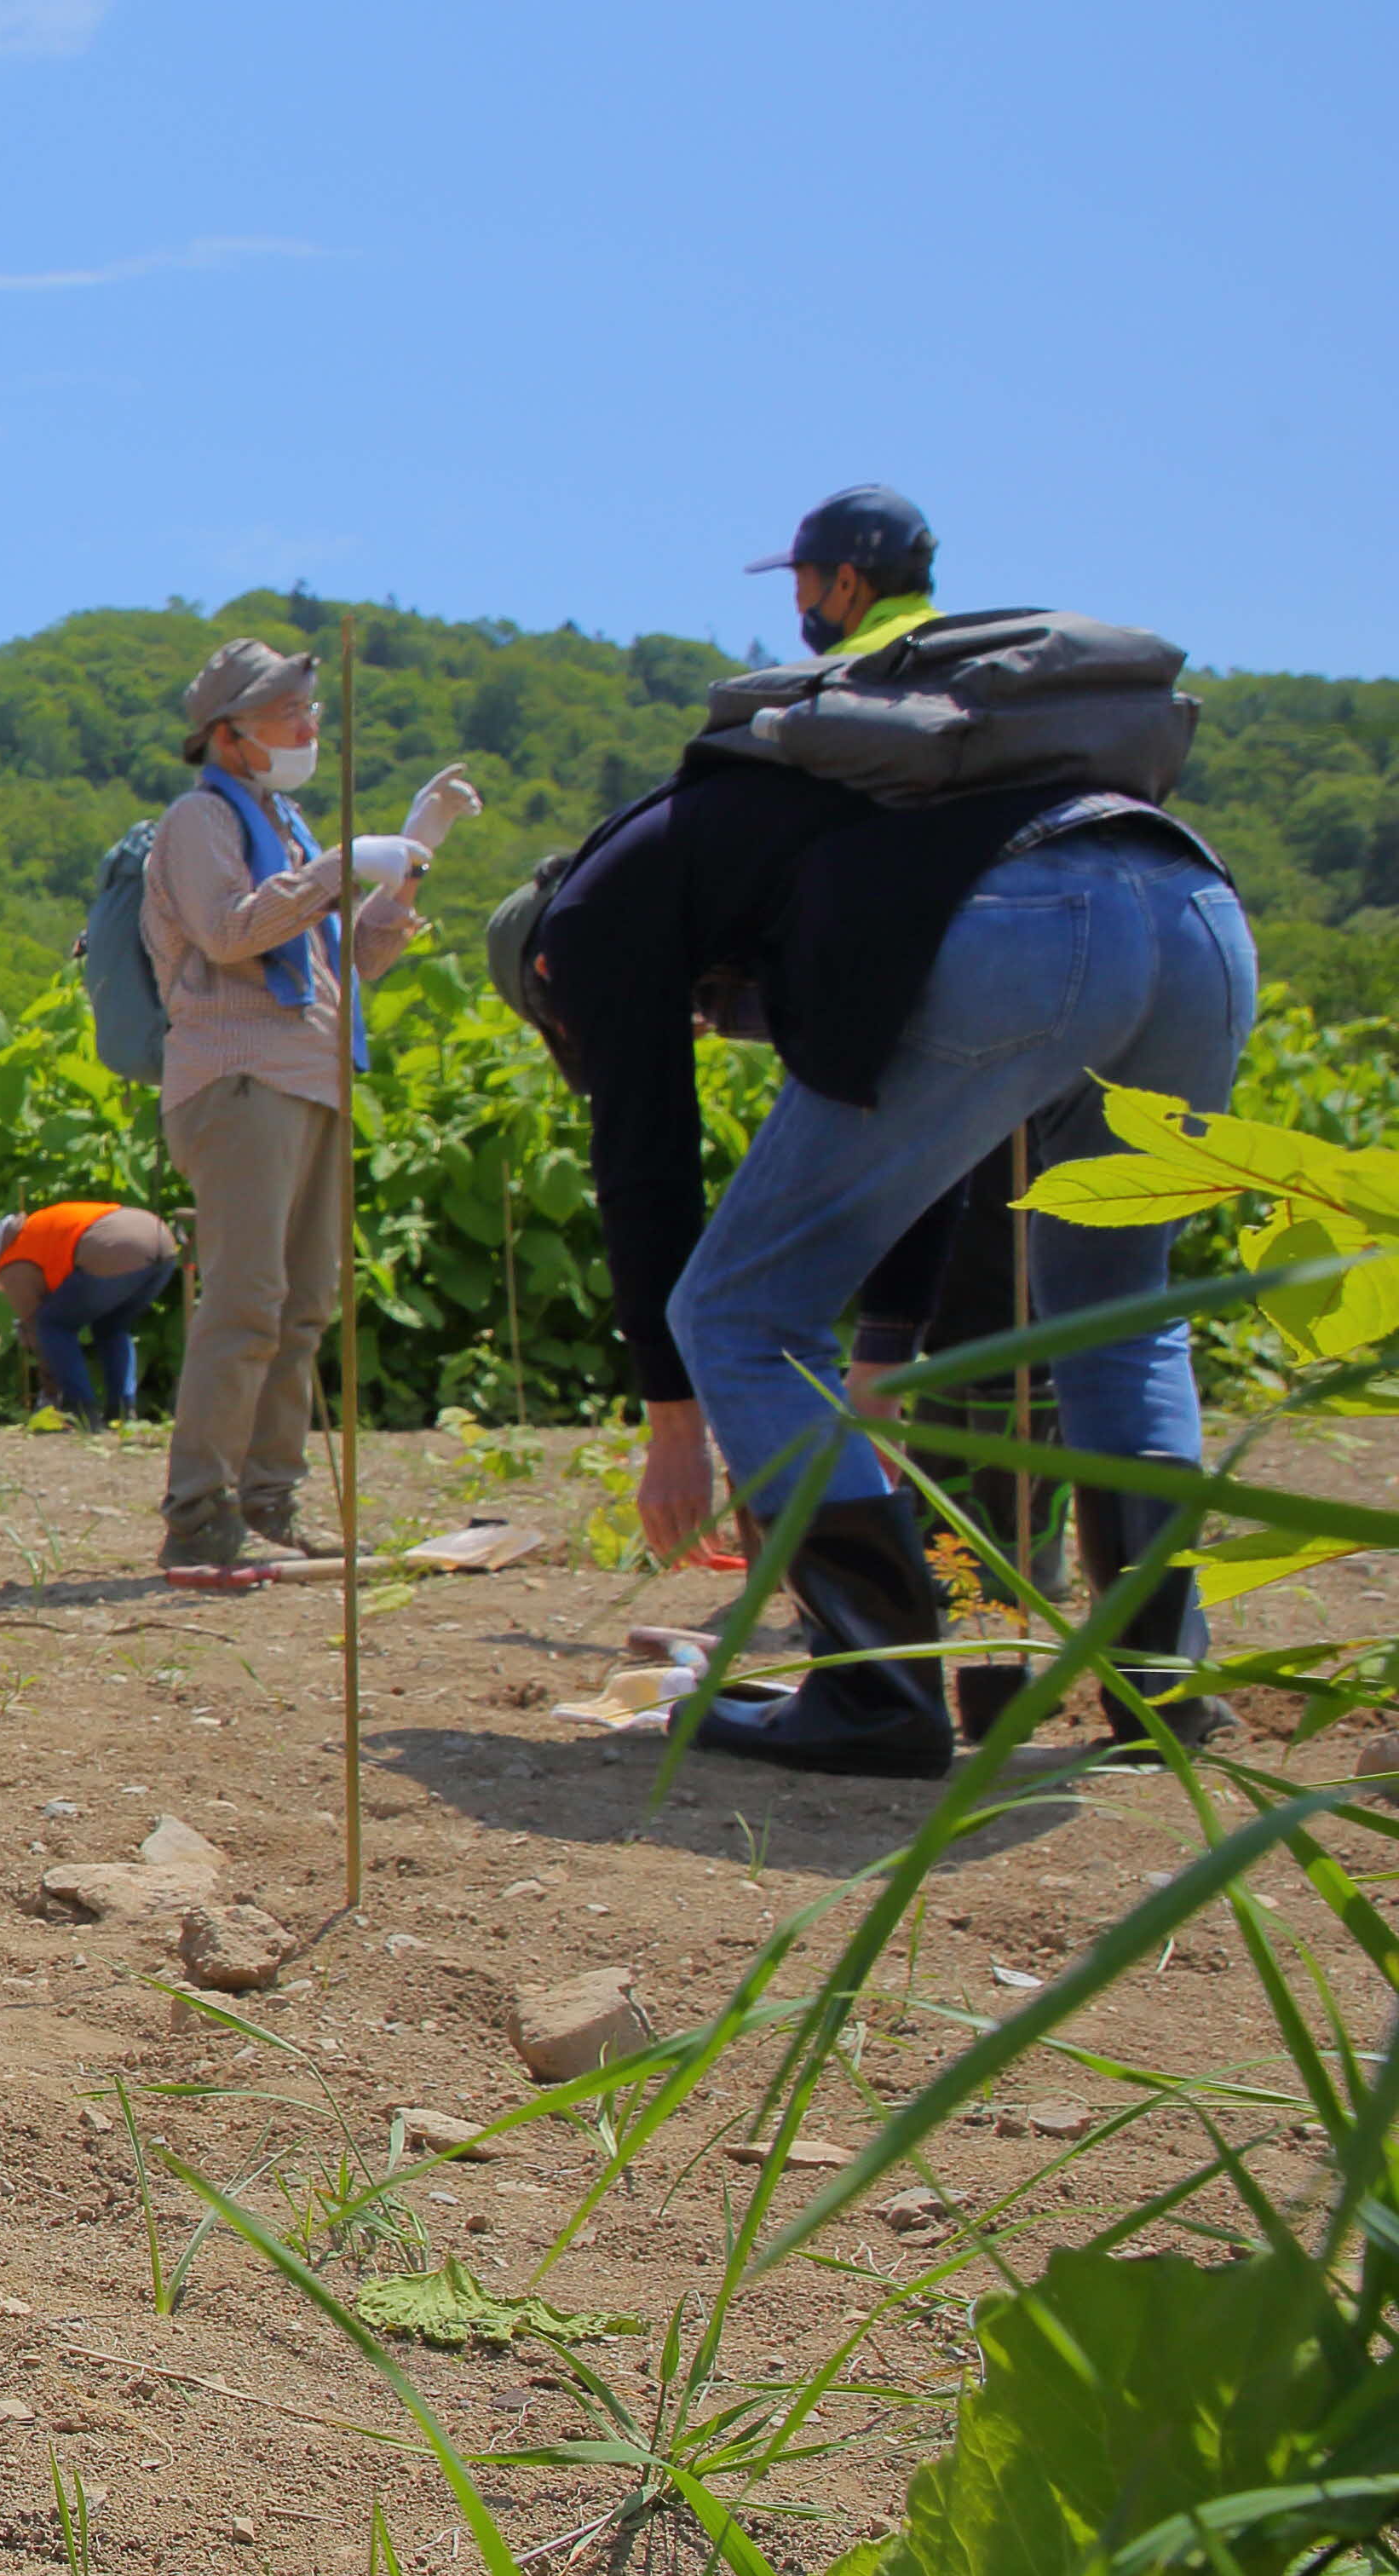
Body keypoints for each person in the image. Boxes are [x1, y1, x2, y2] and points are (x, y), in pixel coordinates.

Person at [501, 505, 1252, 1774]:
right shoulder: (795, 856)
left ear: (539, 972)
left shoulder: (589, 920)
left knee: (736, 1312)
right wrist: (886, 1353)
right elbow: (927, 1152)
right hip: (1189, 907)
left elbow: (649, 1164)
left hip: (1026, 927)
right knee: (1121, 1319)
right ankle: (1162, 1695)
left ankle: (872, 1691)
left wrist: (675, 1417)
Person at [141, 637, 479, 1576]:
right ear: (228, 734)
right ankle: (201, 1516)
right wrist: (339, 866)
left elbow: (341, 968)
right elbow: (231, 928)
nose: (308, 728)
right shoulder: (200, 822)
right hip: (240, 1080)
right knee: (248, 1301)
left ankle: (268, 1504)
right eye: (288, 714)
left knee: (302, 1308)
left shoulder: (283, 825)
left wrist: (411, 859)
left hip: (313, 1079)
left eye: (309, 710)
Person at [0, 1202, 180, 1426]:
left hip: (115, 1249)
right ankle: (122, 1411)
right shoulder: (31, 1230)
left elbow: (37, 1330)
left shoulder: (10, 1261)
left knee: (52, 1324)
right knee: (111, 1327)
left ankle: (80, 1410)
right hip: (162, 1242)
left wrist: (50, 1387)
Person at [753, 481, 943, 666]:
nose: (799, 607)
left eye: (800, 583)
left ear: (846, 583)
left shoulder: (847, 671)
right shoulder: (959, 644)